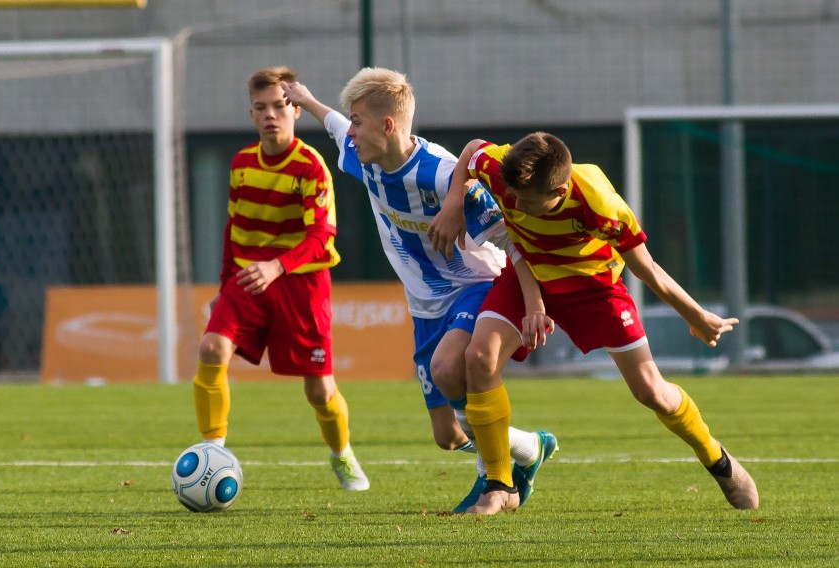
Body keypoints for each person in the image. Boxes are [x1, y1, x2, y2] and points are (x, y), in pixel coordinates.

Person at [428, 131, 759, 514]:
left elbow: (647, 269)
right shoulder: (504, 170)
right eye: (512, 194)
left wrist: (696, 315)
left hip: (593, 287)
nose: (513, 203)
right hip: (529, 277)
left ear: (560, 190)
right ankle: (499, 487)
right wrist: (454, 202)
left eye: (526, 201)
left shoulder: (599, 204)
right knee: (479, 357)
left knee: (651, 391)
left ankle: (718, 460)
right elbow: (471, 150)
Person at [281, 68, 557, 512]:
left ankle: (496, 483)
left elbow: (511, 238)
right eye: (351, 123)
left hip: (474, 286)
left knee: (451, 367)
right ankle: (529, 447)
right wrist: (305, 98)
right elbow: (333, 125)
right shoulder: (359, 152)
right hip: (424, 307)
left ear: (387, 126)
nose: (350, 132)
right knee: (448, 437)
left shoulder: (444, 176)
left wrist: (533, 303)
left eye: (359, 122)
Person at [192, 66, 369, 491]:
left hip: (300, 283)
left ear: (294, 110)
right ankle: (213, 452)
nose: (271, 114)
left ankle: (341, 453)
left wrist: (278, 266)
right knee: (212, 348)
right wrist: (224, 288)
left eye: (279, 105)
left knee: (319, 391)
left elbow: (321, 237)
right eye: (261, 107)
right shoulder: (240, 164)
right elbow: (232, 230)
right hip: (250, 278)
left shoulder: (311, 167)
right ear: (251, 114)